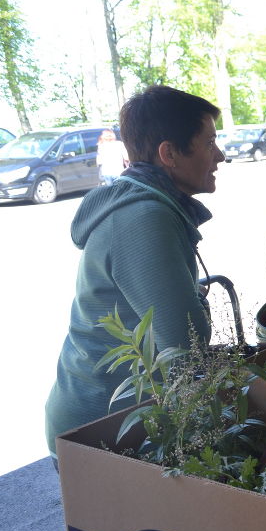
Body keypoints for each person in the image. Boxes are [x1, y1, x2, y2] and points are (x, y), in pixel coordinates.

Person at [45, 85, 224, 465]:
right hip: (103, 428)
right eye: (209, 143)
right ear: (169, 153)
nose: (220, 155)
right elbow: (184, 348)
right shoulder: (144, 219)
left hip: (113, 417)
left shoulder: (148, 206)